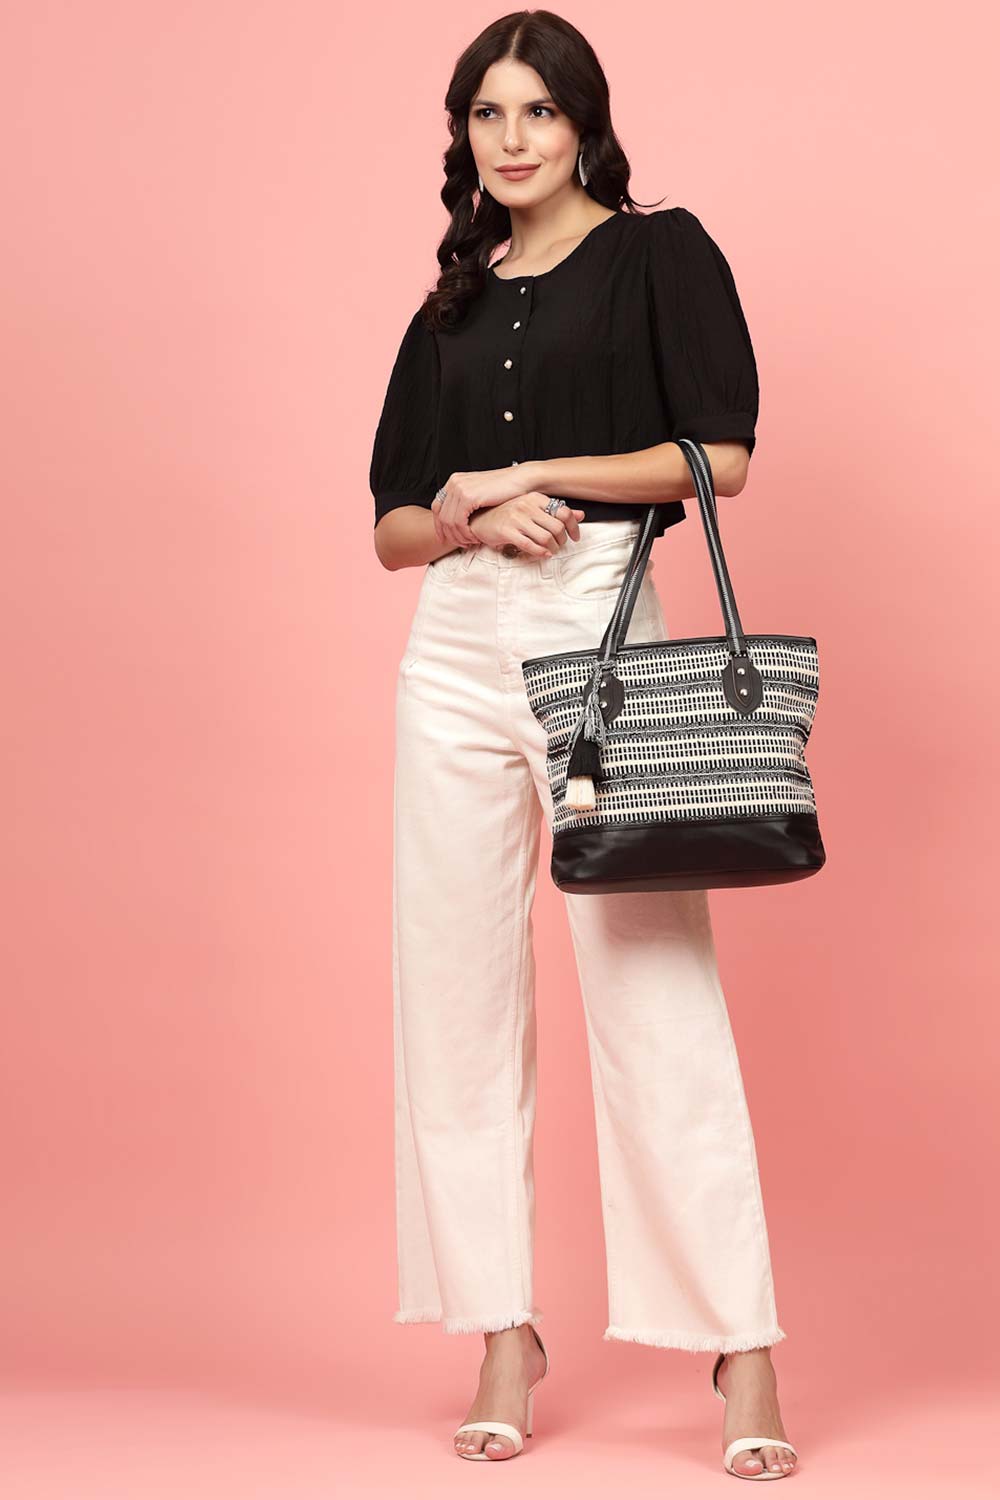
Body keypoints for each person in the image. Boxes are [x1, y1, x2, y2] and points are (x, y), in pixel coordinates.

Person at [368, 11, 799, 1481]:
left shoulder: (660, 254)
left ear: (583, 124)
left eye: (538, 112)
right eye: (486, 113)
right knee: (455, 996)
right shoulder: (449, 304)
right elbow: (392, 525)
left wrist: (531, 470)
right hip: (455, 647)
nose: (511, 139)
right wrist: (469, 515)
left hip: (598, 625)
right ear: (464, 134)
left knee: (652, 984)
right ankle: (503, 1331)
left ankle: (741, 1346)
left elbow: (720, 455)